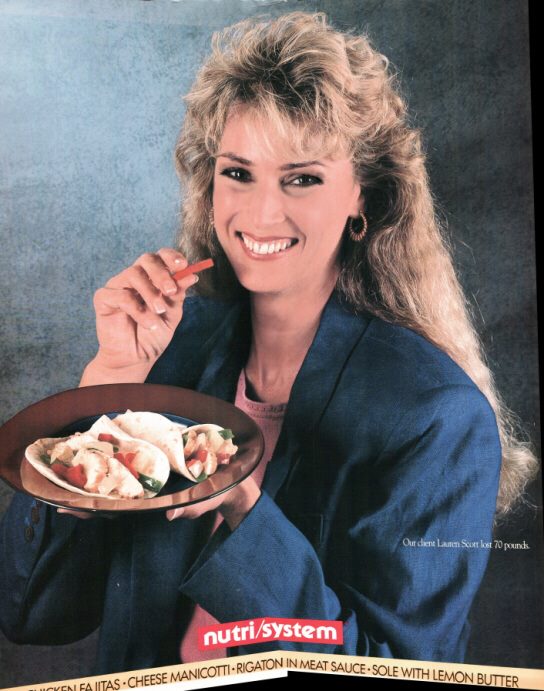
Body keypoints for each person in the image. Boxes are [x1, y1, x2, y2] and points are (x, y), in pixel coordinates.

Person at [0, 11, 537, 674]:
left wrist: (242, 508)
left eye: (302, 178)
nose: (260, 213)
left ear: (362, 197)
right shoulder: (169, 352)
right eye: (238, 173)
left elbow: (400, 667)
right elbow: (31, 611)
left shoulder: (438, 416)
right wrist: (106, 386)